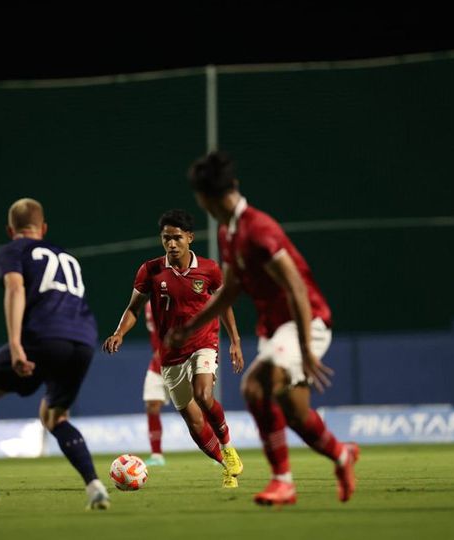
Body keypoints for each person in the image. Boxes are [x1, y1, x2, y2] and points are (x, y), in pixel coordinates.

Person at [169, 151, 359, 506]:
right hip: (275, 329)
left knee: (256, 386)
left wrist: (304, 347)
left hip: (305, 321)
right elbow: (230, 290)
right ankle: (343, 456)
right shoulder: (229, 233)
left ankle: (282, 482)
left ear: (204, 199)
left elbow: (297, 288)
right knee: (296, 413)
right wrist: (191, 326)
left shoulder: (259, 230)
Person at [0, 198, 110, 514]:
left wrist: (15, 344)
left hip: (44, 336)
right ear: (44, 228)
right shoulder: (66, 256)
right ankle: (95, 487)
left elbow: (15, 289)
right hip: (84, 341)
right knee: (54, 416)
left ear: (11, 230)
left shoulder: (13, 250)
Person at [103, 209, 245, 488]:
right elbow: (133, 308)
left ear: (189, 238)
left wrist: (236, 341)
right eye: (166, 238)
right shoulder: (151, 270)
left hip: (204, 342)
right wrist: (119, 332)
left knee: (204, 395)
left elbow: (223, 305)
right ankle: (225, 464)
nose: (171, 243)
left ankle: (228, 446)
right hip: (171, 355)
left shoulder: (209, 269)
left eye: (177, 237)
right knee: (193, 421)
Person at [143, 301, 168, 466]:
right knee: (152, 405)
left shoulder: (179, 298)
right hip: (158, 365)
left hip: (183, 362)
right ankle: (157, 454)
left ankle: (220, 449)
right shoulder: (149, 306)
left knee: (201, 405)